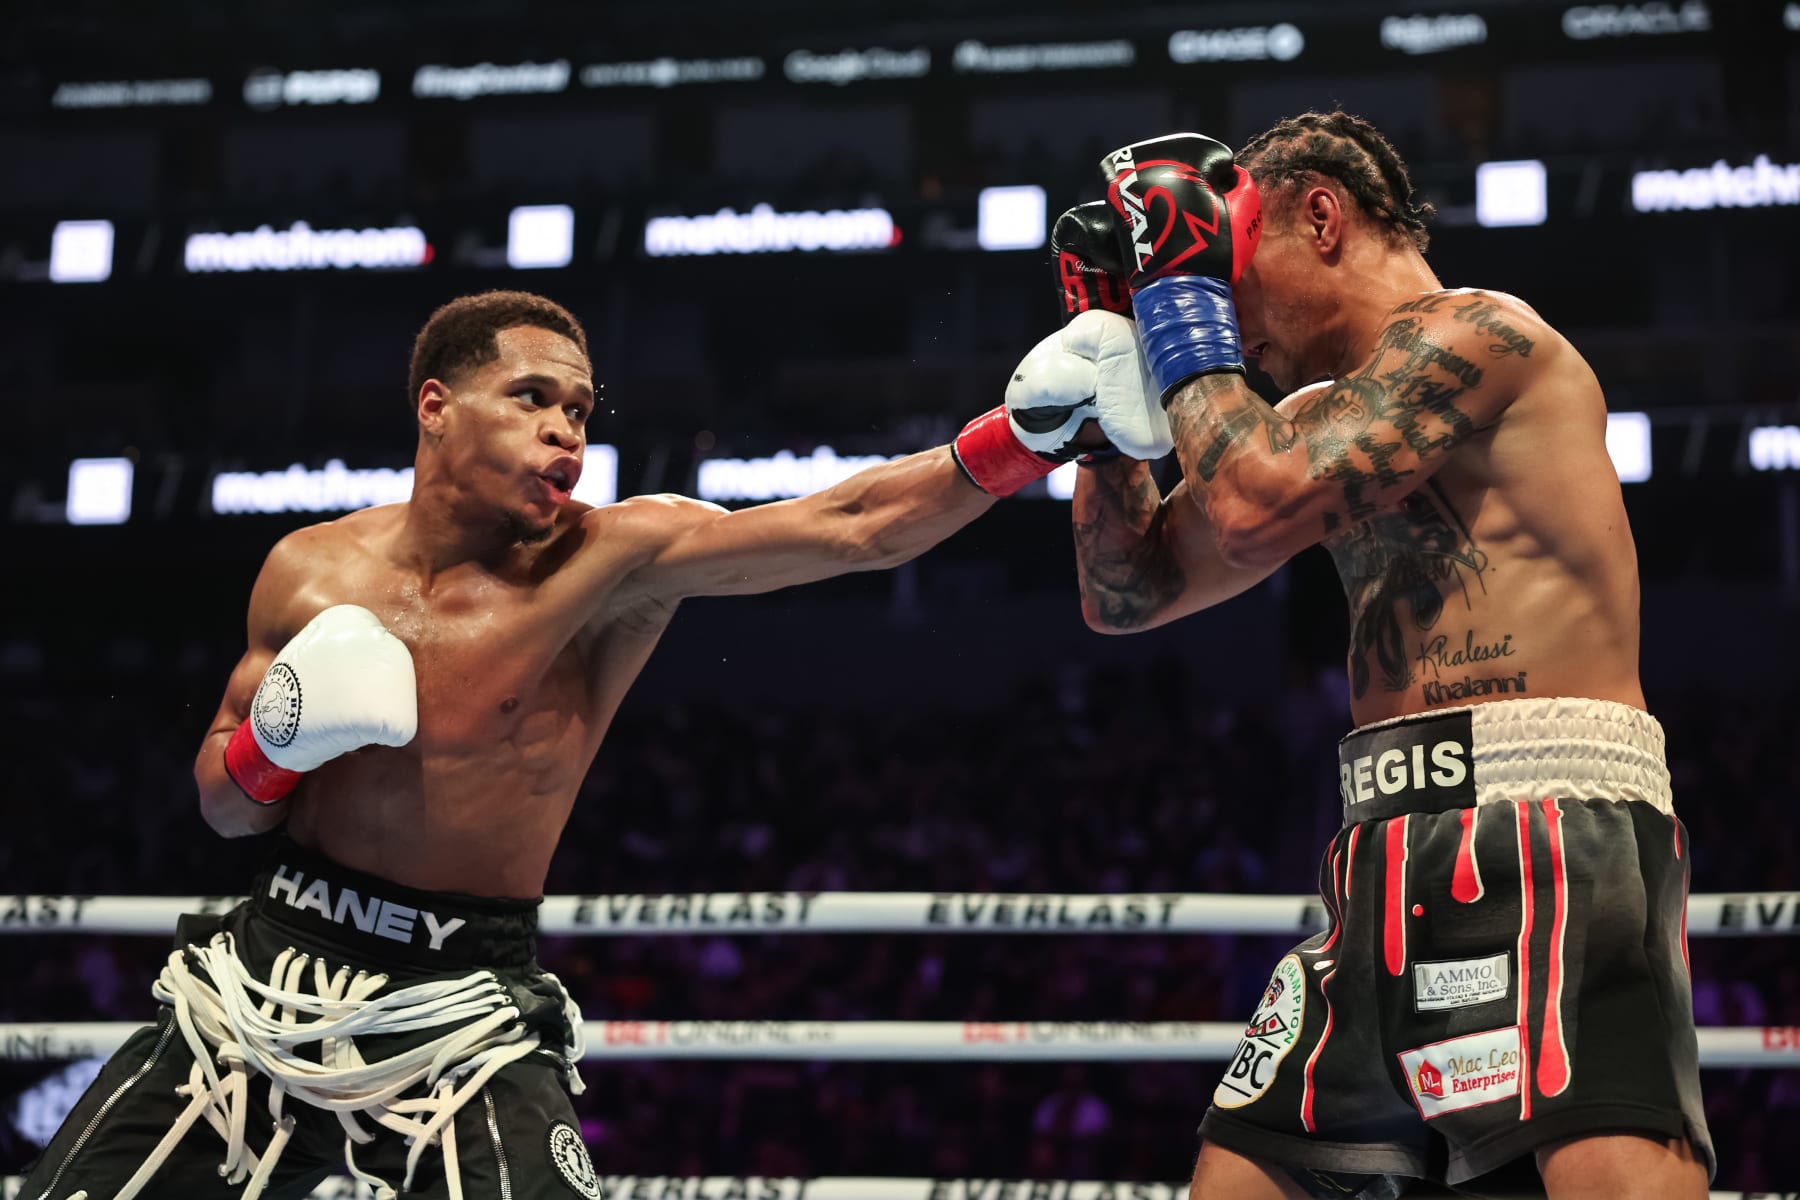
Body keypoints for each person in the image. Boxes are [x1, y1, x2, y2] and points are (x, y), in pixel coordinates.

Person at [17, 288, 1167, 1200]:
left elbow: (851, 528)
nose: (567, 430)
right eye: (531, 399)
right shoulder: (307, 570)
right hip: (260, 991)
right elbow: (225, 807)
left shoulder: (612, 562)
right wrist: (275, 748)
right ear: (435, 406)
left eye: (578, 409)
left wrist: (1020, 440)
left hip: (460, 1012)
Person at [1060, 113, 1712, 1198]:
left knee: (1607, 1164)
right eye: (1200, 280)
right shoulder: (1309, 423)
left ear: (1320, 216)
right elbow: (1125, 595)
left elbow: (1260, 506)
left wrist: (1176, 307)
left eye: (1223, 265)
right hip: (1378, 845)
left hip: (1549, 822)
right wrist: (1107, 394)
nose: (1220, 305)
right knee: (1240, 1177)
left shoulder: (1480, 337)